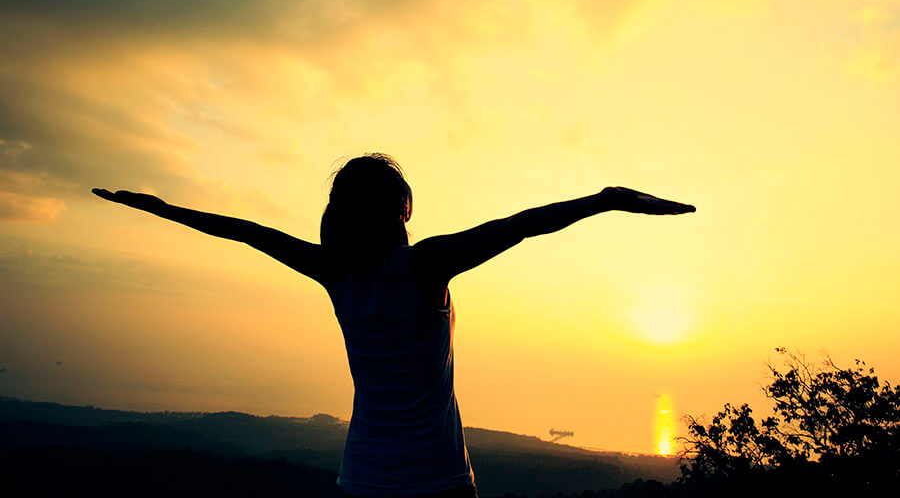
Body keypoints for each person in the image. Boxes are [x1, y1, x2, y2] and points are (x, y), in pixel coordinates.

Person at [93, 153, 696, 498]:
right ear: (402, 208)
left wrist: (162, 209)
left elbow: (245, 231)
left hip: (359, 482)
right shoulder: (425, 264)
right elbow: (521, 224)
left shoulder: (335, 272)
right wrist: (604, 199)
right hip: (439, 481)